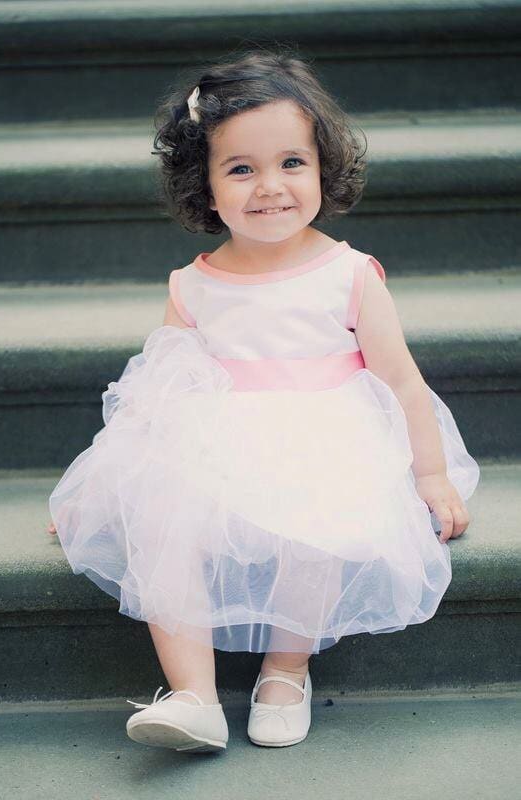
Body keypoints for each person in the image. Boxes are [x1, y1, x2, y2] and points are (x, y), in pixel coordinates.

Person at [47, 46, 479, 753]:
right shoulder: (193, 283)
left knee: (318, 519)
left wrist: (429, 474)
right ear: (205, 185)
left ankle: (286, 670)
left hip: (325, 435)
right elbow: (162, 386)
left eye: (291, 162)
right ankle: (192, 696)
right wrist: (106, 487)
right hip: (216, 438)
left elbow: (401, 380)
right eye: (241, 169)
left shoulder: (348, 274)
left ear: (322, 169)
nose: (269, 186)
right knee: (163, 518)